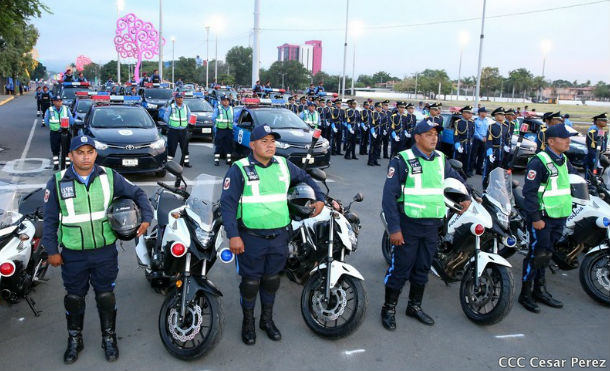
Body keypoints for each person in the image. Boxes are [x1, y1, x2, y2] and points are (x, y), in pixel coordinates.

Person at [42, 135, 153, 364]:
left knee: (106, 297)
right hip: (73, 254)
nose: (85, 157)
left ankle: (109, 338)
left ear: (95, 154)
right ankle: (75, 339)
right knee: (74, 298)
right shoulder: (57, 181)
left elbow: (138, 193)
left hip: (104, 251)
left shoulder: (109, 176)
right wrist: (51, 250)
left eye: (89, 152)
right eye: (80, 152)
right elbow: (50, 219)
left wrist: (146, 218)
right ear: (71, 155)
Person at [220, 125, 325, 345]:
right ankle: (248, 322)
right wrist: (233, 235)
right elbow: (227, 205)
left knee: (271, 280)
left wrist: (321, 197)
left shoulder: (284, 165)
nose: (270, 145)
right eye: (264, 141)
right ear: (252, 144)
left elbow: (307, 178)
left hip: (279, 236)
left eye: (272, 141)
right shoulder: (239, 168)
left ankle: (266, 320)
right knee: (250, 282)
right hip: (250, 238)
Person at [381, 120, 471, 330]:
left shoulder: (441, 159)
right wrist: (394, 229)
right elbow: (389, 197)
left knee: (423, 268)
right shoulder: (402, 160)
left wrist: (465, 195)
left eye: (436, 134)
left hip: (432, 226)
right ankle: (389, 309)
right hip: (408, 225)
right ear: (417, 137)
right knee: (401, 269)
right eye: (429, 134)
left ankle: (414, 306)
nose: (434, 137)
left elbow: (455, 179)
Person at [519, 124, 578, 313]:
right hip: (542, 218)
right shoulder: (539, 161)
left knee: (547, 254)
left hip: (559, 216)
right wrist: (535, 218)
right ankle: (526, 293)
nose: (568, 141)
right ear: (551, 141)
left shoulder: (564, 159)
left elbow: (574, 179)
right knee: (537, 254)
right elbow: (529, 192)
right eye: (564, 138)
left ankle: (540, 289)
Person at [483, 107, 512, 188]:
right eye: (500, 114)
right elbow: (489, 141)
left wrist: (507, 146)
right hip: (494, 151)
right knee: (489, 171)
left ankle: (495, 187)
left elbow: (507, 139)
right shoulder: (491, 127)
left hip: (501, 152)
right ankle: (485, 187)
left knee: (499, 170)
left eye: (503, 115)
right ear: (495, 116)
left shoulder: (506, 127)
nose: (502, 116)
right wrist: (489, 153)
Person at [44, 96, 74, 170]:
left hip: (65, 132)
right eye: (57, 101)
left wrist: (69, 127)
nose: (59, 102)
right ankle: (56, 165)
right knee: (55, 149)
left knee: (67, 149)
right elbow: (46, 121)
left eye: (60, 101)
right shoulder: (49, 110)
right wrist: (53, 127)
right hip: (55, 133)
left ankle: (68, 165)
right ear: (53, 102)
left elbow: (71, 120)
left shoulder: (66, 109)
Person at [163, 92, 192, 167]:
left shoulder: (186, 107)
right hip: (173, 131)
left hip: (183, 130)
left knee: (185, 147)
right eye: (178, 98)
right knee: (172, 147)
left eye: (181, 98)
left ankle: (186, 162)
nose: (180, 99)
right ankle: (169, 163)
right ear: (175, 99)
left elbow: (189, 116)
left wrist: (186, 124)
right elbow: (165, 117)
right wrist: (170, 124)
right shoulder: (171, 107)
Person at [584, 113, 608, 181]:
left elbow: (602, 145)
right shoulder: (593, 131)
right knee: (590, 176)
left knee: (596, 176)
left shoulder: (601, 131)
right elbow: (590, 146)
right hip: (592, 156)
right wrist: (595, 158)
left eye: (606, 120)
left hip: (598, 155)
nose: (606, 122)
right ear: (597, 121)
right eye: (604, 120)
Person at [212, 95, 234, 166]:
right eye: (224, 100)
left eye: (227, 100)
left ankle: (228, 160)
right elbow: (214, 118)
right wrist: (217, 126)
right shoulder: (218, 109)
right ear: (221, 101)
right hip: (220, 129)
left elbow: (234, 118)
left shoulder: (231, 109)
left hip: (229, 129)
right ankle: (216, 160)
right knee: (219, 145)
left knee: (228, 145)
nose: (226, 102)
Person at [453, 105, 475, 177]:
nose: (470, 115)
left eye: (471, 113)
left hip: (468, 144)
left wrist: (471, 142)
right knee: (457, 162)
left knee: (466, 161)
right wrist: (458, 146)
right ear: (463, 113)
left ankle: (464, 175)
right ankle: (456, 176)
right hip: (460, 144)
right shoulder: (458, 122)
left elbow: (472, 134)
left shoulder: (472, 122)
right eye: (469, 113)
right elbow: (456, 135)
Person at [470, 107, 489, 175]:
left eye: (486, 112)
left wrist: (486, 138)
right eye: (484, 112)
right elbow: (474, 132)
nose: (485, 113)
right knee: (473, 155)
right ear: (480, 113)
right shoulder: (475, 121)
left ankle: (479, 170)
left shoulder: (487, 121)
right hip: (477, 140)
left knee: (482, 156)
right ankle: (470, 170)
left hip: (485, 140)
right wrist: (481, 138)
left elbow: (488, 131)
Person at [368, 102, 384, 166]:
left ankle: (375, 160)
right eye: (379, 107)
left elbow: (383, 124)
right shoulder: (372, 113)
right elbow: (371, 124)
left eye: (381, 107)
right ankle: (370, 161)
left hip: (380, 133)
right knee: (372, 147)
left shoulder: (382, 114)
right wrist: (373, 132)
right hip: (374, 133)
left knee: (377, 147)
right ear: (376, 107)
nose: (380, 108)